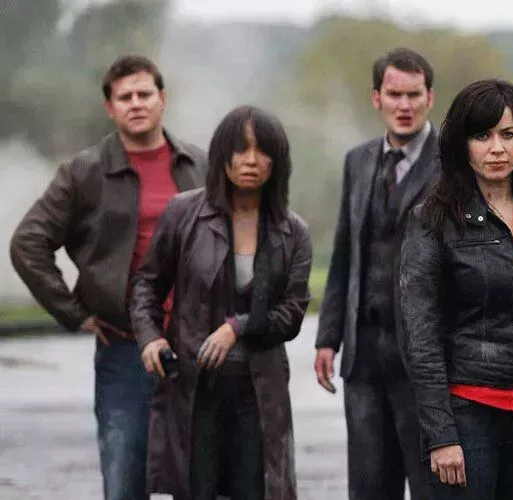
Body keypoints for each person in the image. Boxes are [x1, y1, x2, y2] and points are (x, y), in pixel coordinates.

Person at [9, 54, 206, 500]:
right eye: (125, 97)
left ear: (162, 99)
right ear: (110, 108)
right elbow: (27, 243)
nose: (136, 103)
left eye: (144, 94)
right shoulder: (84, 171)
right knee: (124, 480)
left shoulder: (197, 163)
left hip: (195, 344)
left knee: (202, 480)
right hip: (125, 346)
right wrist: (74, 313)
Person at [399, 78, 513, 499]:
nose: (497, 148)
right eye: (482, 136)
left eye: (508, 134)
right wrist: (441, 435)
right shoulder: (432, 220)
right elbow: (421, 339)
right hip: (467, 416)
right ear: (461, 143)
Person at [130, 106, 311, 500]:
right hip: (195, 388)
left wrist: (236, 327)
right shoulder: (184, 213)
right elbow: (147, 285)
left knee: (255, 490)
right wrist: (150, 338)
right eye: (241, 149)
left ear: (278, 161)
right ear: (222, 156)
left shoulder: (293, 231)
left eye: (262, 151)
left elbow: (292, 312)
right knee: (195, 489)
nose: (251, 160)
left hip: (258, 391)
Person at [313, 47, 440, 500]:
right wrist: (328, 337)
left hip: (425, 358)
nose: (404, 105)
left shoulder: (454, 164)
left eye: (413, 94)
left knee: (432, 487)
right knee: (368, 488)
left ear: (430, 97)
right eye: (394, 94)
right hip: (363, 355)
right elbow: (345, 254)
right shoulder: (358, 160)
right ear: (376, 98)